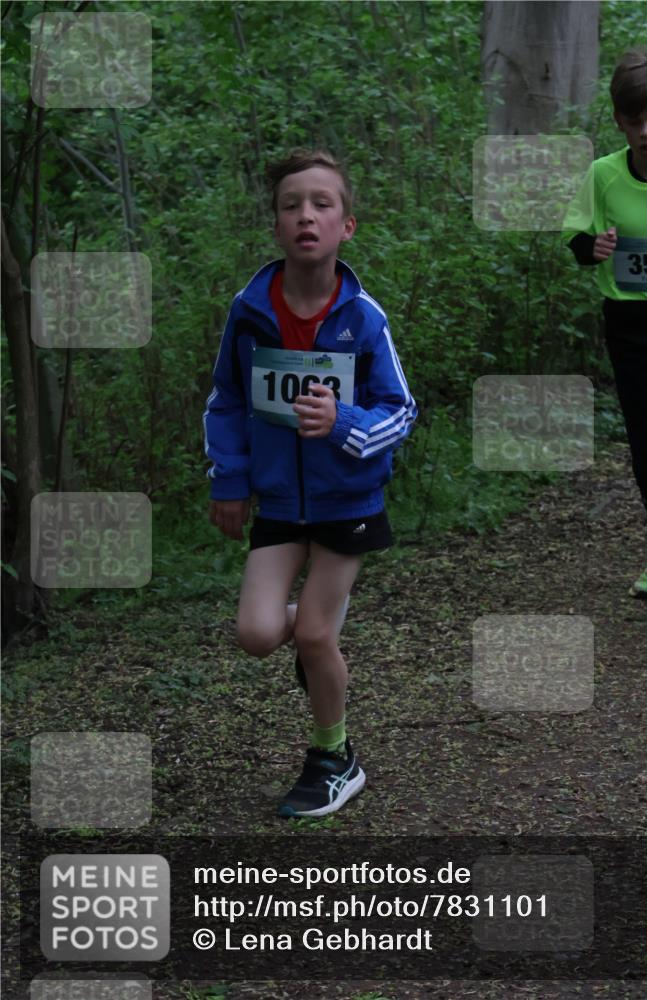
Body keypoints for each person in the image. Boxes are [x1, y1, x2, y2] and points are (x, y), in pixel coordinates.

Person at [203, 149, 417, 816]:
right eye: (292, 205)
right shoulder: (249, 311)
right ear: (275, 225)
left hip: (346, 501)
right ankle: (314, 628)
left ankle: (334, 756)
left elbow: (400, 410)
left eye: (321, 204)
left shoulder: (363, 318)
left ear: (346, 225)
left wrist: (344, 420)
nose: (306, 216)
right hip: (277, 500)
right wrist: (229, 481)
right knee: (258, 634)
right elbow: (226, 401)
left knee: (318, 637)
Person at [564, 48, 647, 599]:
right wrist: (594, 247)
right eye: (635, 120)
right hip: (629, 321)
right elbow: (576, 238)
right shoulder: (603, 175)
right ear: (619, 120)